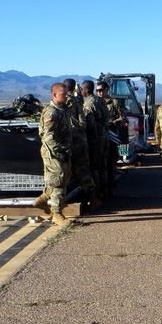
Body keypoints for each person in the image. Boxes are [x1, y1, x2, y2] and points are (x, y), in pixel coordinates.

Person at [33, 82, 75, 227]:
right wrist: (59, 151)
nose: (66, 97)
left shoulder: (62, 110)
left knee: (63, 179)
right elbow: (48, 137)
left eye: (67, 94)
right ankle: (57, 214)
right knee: (58, 182)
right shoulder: (52, 112)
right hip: (54, 153)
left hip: (63, 150)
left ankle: (42, 200)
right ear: (55, 94)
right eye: (63, 94)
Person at [63, 78, 102, 211]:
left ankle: (93, 198)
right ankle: (93, 196)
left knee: (81, 171)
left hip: (75, 140)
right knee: (84, 170)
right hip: (80, 139)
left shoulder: (68, 101)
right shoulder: (78, 100)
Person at [81, 80, 109, 198]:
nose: (80, 91)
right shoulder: (101, 101)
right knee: (102, 166)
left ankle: (96, 194)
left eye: (82, 89)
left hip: (95, 139)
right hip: (104, 136)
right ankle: (105, 190)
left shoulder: (89, 103)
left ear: (86, 90)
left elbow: (89, 124)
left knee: (94, 168)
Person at [96, 80, 124, 198]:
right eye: (97, 91)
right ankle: (101, 189)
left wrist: (113, 123)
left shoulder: (114, 103)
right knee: (100, 163)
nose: (99, 93)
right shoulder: (95, 103)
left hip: (111, 136)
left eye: (101, 90)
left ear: (106, 90)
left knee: (111, 162)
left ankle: (110, 187)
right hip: (99, 137)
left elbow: (123, 117)